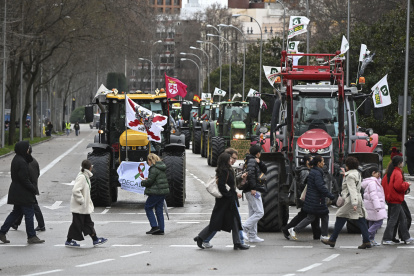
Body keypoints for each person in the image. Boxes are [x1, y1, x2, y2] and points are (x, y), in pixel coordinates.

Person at [194, 152, 249, 250]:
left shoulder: (226, 169)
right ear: (225, 160)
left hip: (227, 200)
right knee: (219, 221)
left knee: (233, 220)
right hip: (225, 201)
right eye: (230, 159)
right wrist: (228, 195)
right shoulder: (225, 171)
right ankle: (201, 237)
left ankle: (237, 243)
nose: (232, 160)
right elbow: (222, 186)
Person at [321, 156, 371, 249]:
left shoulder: (350, 176)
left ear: (347, 165)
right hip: (357, 198)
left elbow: (352, 190)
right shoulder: (357, 173)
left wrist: (354, 203)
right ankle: (366, 241)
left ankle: (332, 239)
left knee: (340, 216)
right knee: (361, 220)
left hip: (350, 200)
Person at [0, 141, 45, 244]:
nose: (29, 149)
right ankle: (31, 236)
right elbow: (24, 179)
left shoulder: (17, 159)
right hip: (23, 192)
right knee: (29, 213)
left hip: (17, 190)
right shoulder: (22, 161)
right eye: (27, 148)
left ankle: (2, 232)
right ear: (24, 149)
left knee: (16, 212)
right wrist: (33, 188)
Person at [288, 155, 334, 241]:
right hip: (317, 199)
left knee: (313, 217)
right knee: (321, 216)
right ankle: (323, 235)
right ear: (318, 163)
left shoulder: (313, 171)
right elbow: (320, 186)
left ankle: (294, 229)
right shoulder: (317, 173)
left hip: (313, 198)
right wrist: (330, 195)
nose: (324, 163)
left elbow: (308, 182)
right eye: (322, 161)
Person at [65, 160, 107, 247]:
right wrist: (82, 200)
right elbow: (76, 190)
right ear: (90, 168)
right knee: (77, 224)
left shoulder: (85, 176)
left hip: (83, 207)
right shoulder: (82, 177)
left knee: (88, 223)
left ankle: (95, 239)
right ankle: (69, 240)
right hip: (79, 207)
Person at [282, 155, 322, 240]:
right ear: (307, 161)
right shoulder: (305, 171)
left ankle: (317, 235)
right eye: (311, 159)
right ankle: (287, 230)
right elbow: (304, 185)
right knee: (306, 215)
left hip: (306, 196)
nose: (313, 161)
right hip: (307, 197)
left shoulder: (305, 170)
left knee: (311, 215)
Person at [381, 156, 414, 245]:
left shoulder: (389, 172)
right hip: (396, 199)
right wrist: (406, 184)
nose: (403, 163)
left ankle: (406, 237)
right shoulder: (397, 173)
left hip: (391, 198)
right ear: (399, 163)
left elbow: (384, 185)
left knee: (402, 218)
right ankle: (387, 238)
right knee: (394, 219)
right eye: (402, 162)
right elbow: (398, 186)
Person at [11, 146, 45, 232]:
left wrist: (29, 185)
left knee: (32, 206)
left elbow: (24, 177)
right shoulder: (33, 160)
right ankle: (15, 223)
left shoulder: (25, 161)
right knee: (21, 206)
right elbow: (38, 173)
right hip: (31, 186)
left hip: (28, 188)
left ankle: (41, 225)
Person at [242, 144, 267, 243]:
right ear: (258, 153)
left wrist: (260, 162)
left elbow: (264, 170)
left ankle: (252, 236)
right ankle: (244, 228)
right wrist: (253, 188)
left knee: (253, 212)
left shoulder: (250, 160)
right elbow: (251, 174)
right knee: (259, 212)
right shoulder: (252, 161)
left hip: (250, 190)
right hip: (252, 190)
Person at [141, 153, 169, 235]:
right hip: (162, 191)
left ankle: (154, 226)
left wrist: (143, 181)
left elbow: (150, 182)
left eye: (148, 161)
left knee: (148, 207)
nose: (148, 163)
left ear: (151, 160)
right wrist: (148, 179)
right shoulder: (161, 167)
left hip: (156, 192)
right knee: (159, 210)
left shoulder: (153, 169)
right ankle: (161, 229)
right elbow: (156, 179)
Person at [361, 166, 387, 246]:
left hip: (371, 206)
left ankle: (371, 239)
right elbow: (374, 195)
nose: (379, 174)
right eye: (377, 173)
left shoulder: (372, 182)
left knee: (372, 222)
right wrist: (377, 206)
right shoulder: (372, 183)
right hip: (374, 206)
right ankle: (367, 234)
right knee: (379, 222)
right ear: (373, 173)